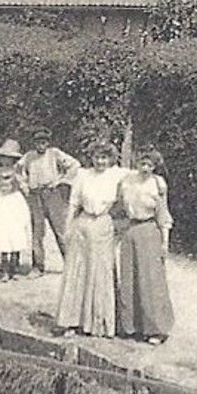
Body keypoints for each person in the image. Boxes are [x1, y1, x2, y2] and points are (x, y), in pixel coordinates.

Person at [54, 141, 129, 337]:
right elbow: (73, 203)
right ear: (92, 158)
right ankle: (72, 321)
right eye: (97, 157)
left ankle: (99, 324)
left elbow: (143, 178)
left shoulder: (117, 175)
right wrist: (67, 227)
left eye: (104, 157)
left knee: (100, 272)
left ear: (111, 159)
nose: (100, 161)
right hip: (83, 225)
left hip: (103, 225)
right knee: (78, 271)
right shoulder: (83, 175)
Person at [116, 147, 176, 344]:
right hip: (130, 230)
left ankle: (156, 330)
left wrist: (164, 242)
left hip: (149, 231)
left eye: (150, 165)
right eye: (142, 163)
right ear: (136, 163)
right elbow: (118, 208)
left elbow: (163, 213)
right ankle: (130, 327)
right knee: (129, 278)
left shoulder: (157, 184)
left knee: (150, 280)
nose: (145, 168)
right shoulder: (126, 182)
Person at [20, 128, 80, 276]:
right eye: (38, 142)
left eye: (44, 141)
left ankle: (71, 265)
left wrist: (62, 181)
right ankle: (38, 266)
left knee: (61, 230)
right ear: (34, 143)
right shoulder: (29, 156)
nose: (41, 144)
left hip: (53, 195)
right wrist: (24, 185)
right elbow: (18, 171)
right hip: (35, 195)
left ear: (48, 142)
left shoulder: (54, 153)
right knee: (37, 232)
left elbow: (75, 165)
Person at [0, 139, 32, 282]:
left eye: (9, 158)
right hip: (2, 215)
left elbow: (24, 190)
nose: (5, 160)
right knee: (4, 244)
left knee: (16, 243)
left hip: (14, 213)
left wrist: (21, 185)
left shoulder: (18, 172)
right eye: (3, 157)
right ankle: (5, 269)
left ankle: (15, 267)